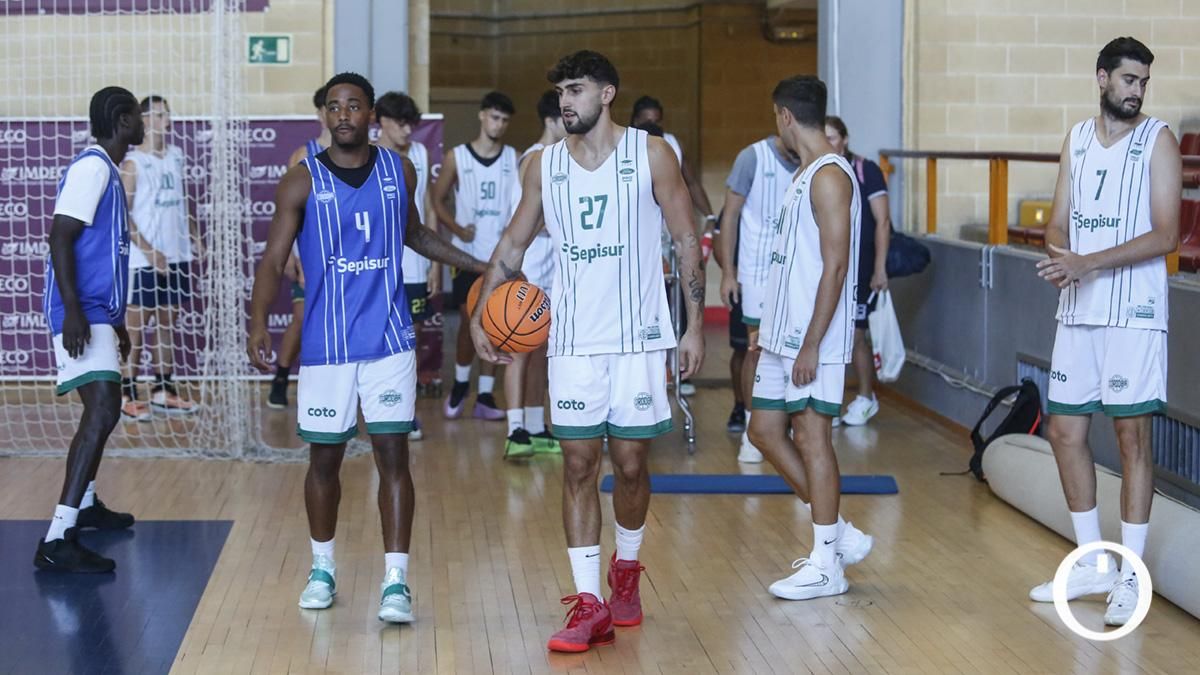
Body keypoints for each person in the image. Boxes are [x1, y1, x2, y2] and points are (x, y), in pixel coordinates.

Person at [471, 50, 705, 653]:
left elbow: (685, 238)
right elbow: (513, 244)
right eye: (560, 93)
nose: (565, 102)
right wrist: (480, 314)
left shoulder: (651, 153)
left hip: (637, 339)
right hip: (572, 342)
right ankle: (588, 603)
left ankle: (625, 569)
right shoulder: (543, 167)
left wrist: (694, 326)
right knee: (577, 466)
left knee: (630, 464)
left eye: (575, 90)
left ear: (607, 93)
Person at [247, 73, 487, 623]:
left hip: (388, 340)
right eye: (334, 107)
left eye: (354, 106)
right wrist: (258, 324)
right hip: (327, 346)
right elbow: (270, 260)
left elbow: (415, 234)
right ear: (325, 116)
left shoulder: (397, 169)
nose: (344, 115)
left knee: (393, 457)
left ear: (371, 113)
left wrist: (480, 266)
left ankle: (396, 582)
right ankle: (323, 568)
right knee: (324, 459)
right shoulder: (300, 181)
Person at [1029, 37, 1180, 627]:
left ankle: (1130, 575)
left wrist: (1087, 263)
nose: (1136, 89)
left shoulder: (1158, 140)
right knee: (1064, 432)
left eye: (1143, 80)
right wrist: (1060, 257)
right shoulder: (1076, 139)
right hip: (1079, 308)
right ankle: (1093, 563)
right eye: (1127, 79)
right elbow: (1058, 224)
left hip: (1133, 314)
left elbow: (1166, 236)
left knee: (1131, 440)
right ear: (1101, 79)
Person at [746, 75, 875, 601]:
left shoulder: (828, 176)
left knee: (813, 437)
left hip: (811, 339)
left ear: (784, 116)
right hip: (783, 334)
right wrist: (767, 324)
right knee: (763, 430)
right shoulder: (803, 174)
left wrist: (811, 343)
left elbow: (837, 264)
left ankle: (827, 563)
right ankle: (839, 532)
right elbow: (793, 264)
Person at [35, 86, 144, 573]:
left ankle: (87, 505)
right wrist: (75, 311)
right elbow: (60, 235)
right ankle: (58, 537)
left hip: (99, 311)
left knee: (103, 411)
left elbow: (100, 256)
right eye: (138, 115)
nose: (143, 121)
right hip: (80, 312)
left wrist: (115, 322)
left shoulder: (110, 171)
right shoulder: (93, 167)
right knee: (102, 410)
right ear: (123, 120)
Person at [432, 91, 517, 420]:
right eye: (494, 117)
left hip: (502, 257)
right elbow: (436, 200)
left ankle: (484, 394)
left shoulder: (515, 158)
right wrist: (455, 227)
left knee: (499, 325)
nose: (498, 124)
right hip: (468, 256)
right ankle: (461, 384)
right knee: (472, 321)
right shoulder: (457, 157)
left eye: (505, 120)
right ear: (482, 116)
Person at [718, 134, 801, 463]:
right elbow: (731, 216)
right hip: (756, 275)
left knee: (793, 351)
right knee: (755, 350)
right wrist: (727, 272)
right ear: (783, 120)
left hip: (797, 275)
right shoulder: (752, 158)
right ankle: (753, 433)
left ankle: (794, 426)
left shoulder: (814, 160)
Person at [119, 95, 201, 419]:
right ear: (146, 119)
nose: (167, 119)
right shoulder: (133, 163)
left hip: (177, 255)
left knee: (167, 325)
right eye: (160, 114)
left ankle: (162, 390)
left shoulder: (176, 156)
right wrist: (149, 251)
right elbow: (122, 215)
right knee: (136, 329)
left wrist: (195, 236)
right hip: (144, 260)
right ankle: (127, 394)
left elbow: (182, 202)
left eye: (168, 113)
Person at [630, 97, 715, 397]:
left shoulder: (671, 145)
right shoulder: (623, 149)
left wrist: (711, 216)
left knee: (673, 303)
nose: (653, 122)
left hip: (669, 237)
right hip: (636, 242)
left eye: (657, 117)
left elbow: (690, 182)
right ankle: (642, 372)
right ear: (635, 119)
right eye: (646, 118)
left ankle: (676, 368)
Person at [501, 90, 567, 458]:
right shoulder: (534, 160)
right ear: (549, 120)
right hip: (527, 269)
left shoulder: (556, 158)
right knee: (519, 350)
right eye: (564, 117)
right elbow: (531, 222)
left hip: (550, 270)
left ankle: (536, 424)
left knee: (542, 352)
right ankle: (515, 431)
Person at [375, 91, 438, 441]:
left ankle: (406, 410)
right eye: (400, 123)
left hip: (414, 262)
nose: (406, 131)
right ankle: (375, 406)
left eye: (411, 124)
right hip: (376, 264)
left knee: (408, 338)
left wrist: (433, 265)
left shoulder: (420, 153)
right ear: (381, 121)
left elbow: (427, 207)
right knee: (378, 337)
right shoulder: (369, 155)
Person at [824, 115, 890, 427]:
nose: (829, 144)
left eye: (833, 138)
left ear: (845, 139)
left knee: (857, 335)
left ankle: (866, 397)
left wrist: (879, 268)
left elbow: (883, 222)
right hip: (831, 266)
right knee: (830, 334)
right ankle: (830, 401)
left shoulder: (867, 171)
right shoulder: (822, 173)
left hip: (861, 268)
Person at [270, 85, 331, 409]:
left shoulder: (357, 152)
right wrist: (295, 255)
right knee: (302, 318)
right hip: (308, 253)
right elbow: (288, 212)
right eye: (329, 108)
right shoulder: (304, 155)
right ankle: (281, 377)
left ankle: (328, 386)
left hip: (342, 256)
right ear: (320, 113)